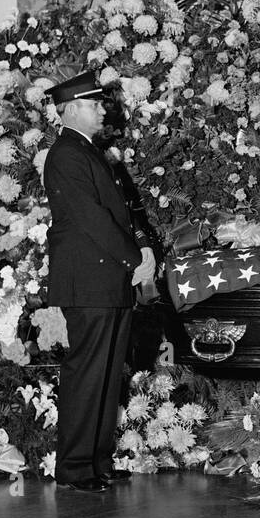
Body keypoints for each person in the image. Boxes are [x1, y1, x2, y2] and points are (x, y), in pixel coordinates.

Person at [42, 70, 157, 493]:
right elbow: (91, 218)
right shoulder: (67, 154)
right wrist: (134, 260)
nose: (101, 109)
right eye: (93, 104)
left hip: (107, 279)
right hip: (91, 280)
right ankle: (74, 468)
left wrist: (142, 248)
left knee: (107, 374)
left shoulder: (90, 152)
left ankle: (97, 462)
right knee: (87, 374)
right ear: (71, 109)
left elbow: (124, 209)